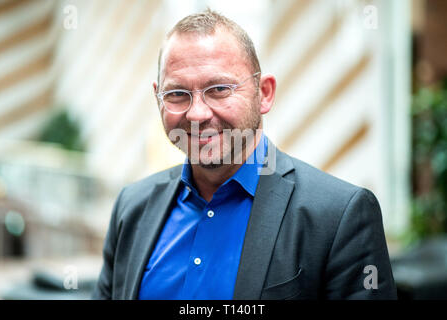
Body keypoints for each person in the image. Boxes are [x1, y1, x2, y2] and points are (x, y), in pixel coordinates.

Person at [93, 9, 397, 300]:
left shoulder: (339, 217)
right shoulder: (131, 208)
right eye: (177, 94)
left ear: (264, 93)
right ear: (158, 98)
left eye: (219, 89)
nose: (197, 114)